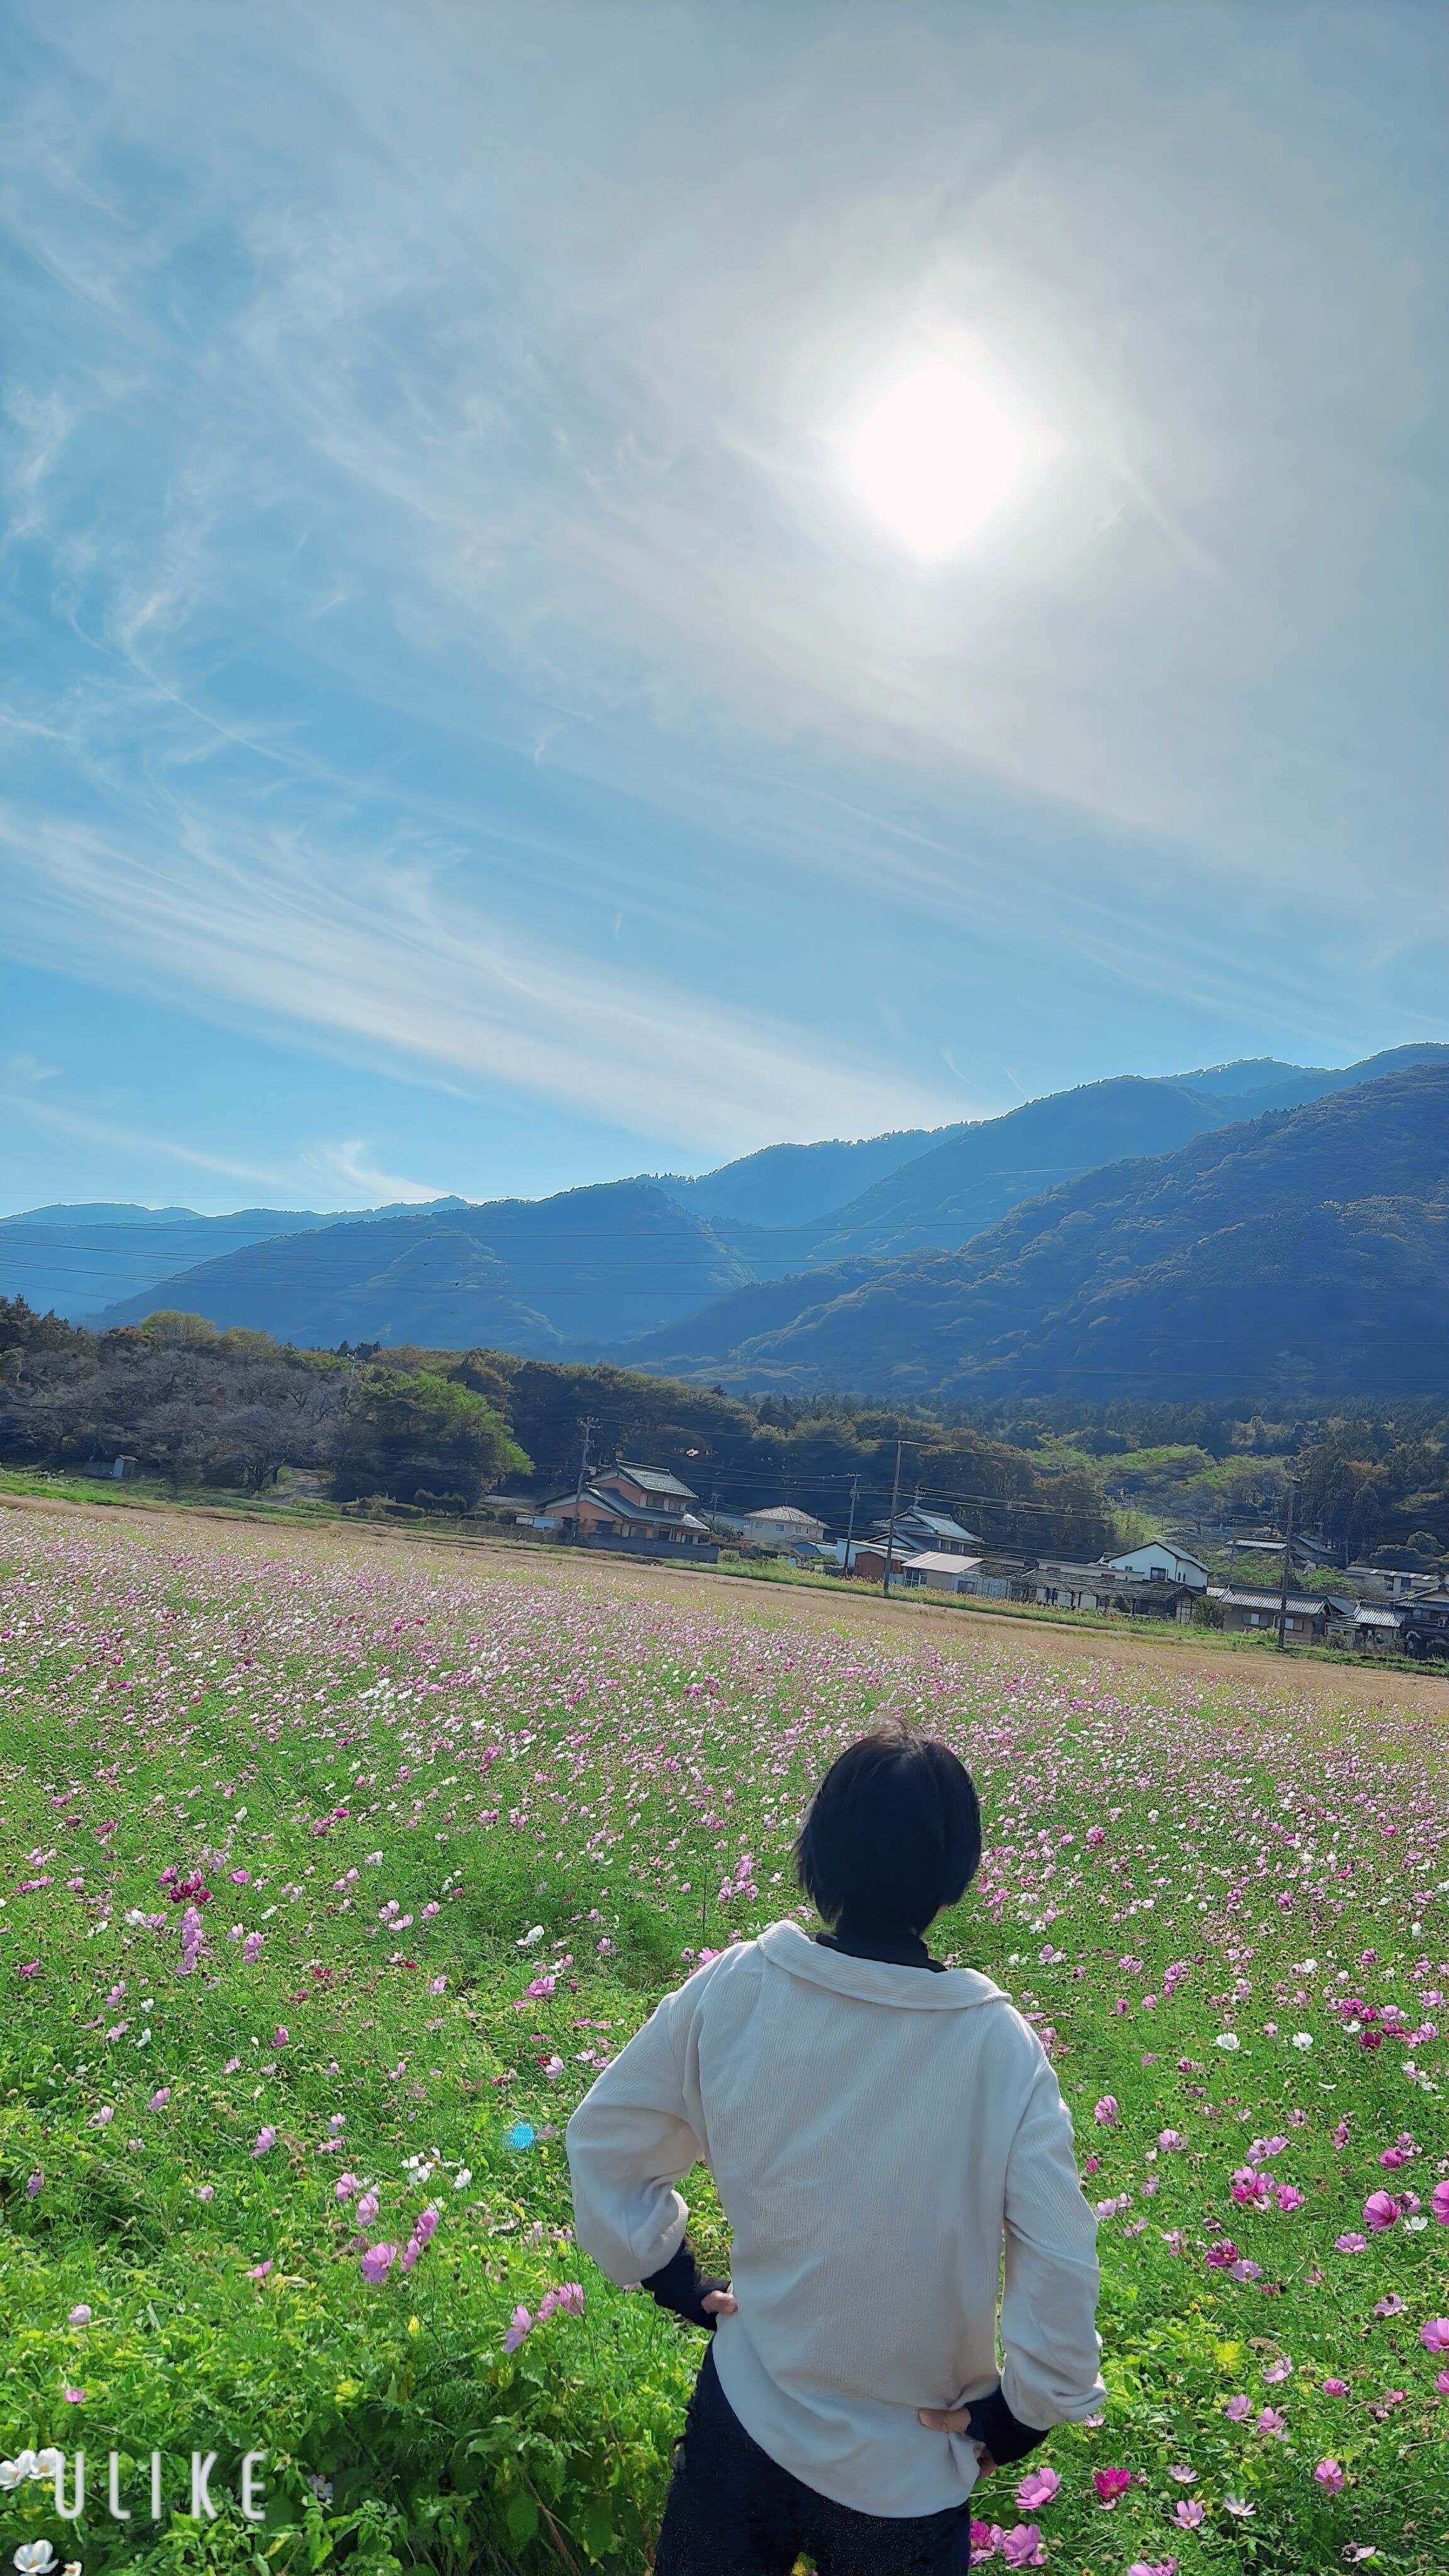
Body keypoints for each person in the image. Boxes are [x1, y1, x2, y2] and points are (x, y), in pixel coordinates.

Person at [565, 1724, 1104, 2575]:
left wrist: (669, 2273)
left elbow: (607, 2136)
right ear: (956, 1871)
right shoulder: (996, 2048)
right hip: (907, 2467)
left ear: (818, 1850)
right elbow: (1061, 2254)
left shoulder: (742, 1986)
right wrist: (1025, 2414)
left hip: (746, 2415)